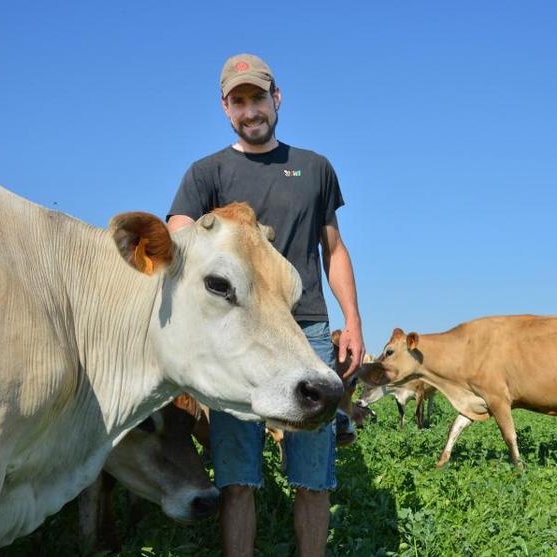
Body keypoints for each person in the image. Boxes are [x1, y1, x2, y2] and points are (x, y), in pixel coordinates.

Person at [166, 53, 365, 557]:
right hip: (239, 337)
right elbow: (180, 232)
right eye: (239, 101)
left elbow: (333, 250)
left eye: (258, 97)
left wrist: (354, 323)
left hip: (309, 330)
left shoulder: (314, 168)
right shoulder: (206, 172)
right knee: (237, 477)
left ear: (277, 99)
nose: (250, 110)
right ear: (226, 108)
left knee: (312, 477)